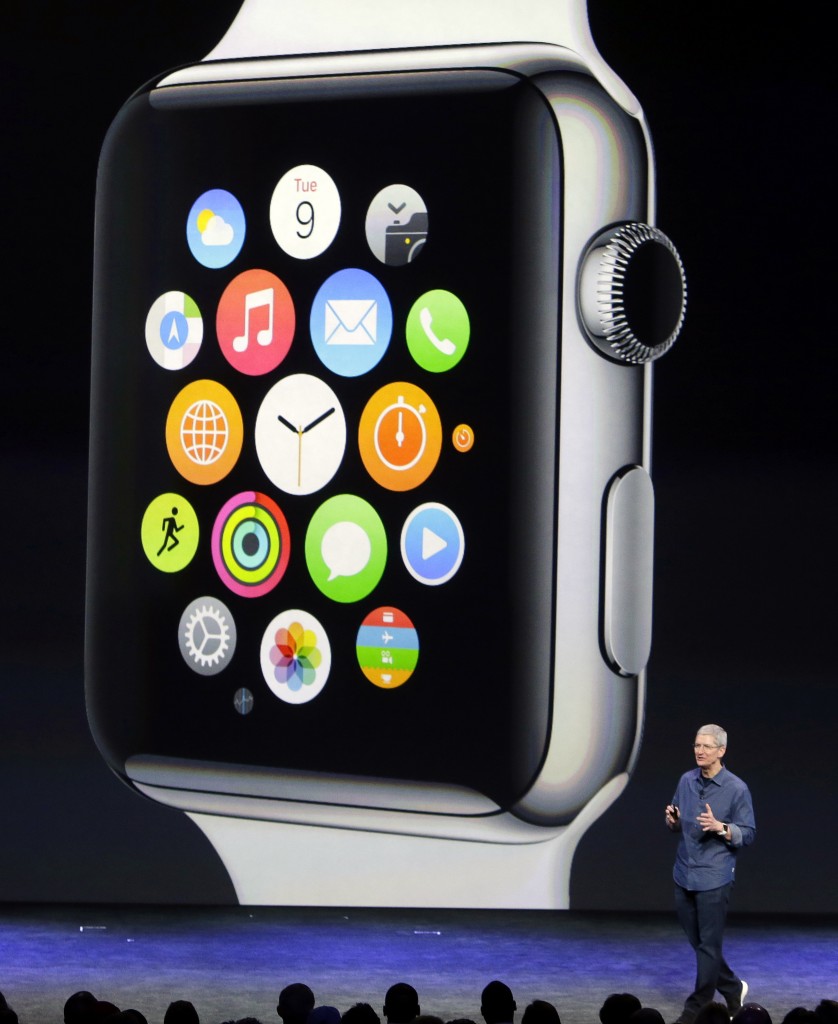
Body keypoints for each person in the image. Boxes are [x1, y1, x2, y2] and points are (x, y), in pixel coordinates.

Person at [666, 724, 756, 1023]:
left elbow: (749, 832)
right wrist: (673, 820)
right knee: (700, 943)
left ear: (721, 751)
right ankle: (732, 988)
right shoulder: (686, 780)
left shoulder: (736, 788)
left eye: (706, 746)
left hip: (714, 876)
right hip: (684, 872)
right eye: (696, 745)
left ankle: (696, 1009)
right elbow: (678, 822)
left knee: (709, 945)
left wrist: (723, 828)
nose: (699, 751)